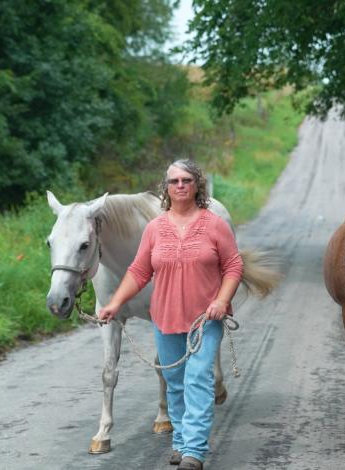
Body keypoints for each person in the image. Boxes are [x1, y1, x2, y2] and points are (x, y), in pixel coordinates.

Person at [98, 159, 243, 470]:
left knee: (197, 381)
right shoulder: (155, 229)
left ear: (197, 185)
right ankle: (179, 441)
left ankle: (194, 451)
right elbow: (138, 271)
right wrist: (114, 302)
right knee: (175, 381)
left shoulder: (214, 225)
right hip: (165, 318)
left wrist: (222, 299)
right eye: (174, 181)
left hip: (206, 320)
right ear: (166, 188)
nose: (180, 185)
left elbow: (233, 267)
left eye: (186, 180)